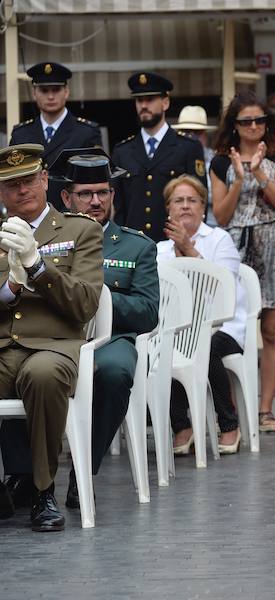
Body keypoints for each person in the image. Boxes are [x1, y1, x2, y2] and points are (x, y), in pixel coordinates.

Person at [0, 144, 103, 531]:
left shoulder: (80, 230)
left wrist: (37, 265)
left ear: (45, 179)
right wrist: (10, 287)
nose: (21, 190)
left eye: (28, 180)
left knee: (42, 377)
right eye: (11, 185)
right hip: (3, 347)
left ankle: (43, 492)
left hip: (53, 345)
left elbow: (85, 304)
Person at [50, 148, 159, 509]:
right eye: (85, 194)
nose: (95, 201)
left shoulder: (135, 245)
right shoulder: (49, 243)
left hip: (110, 340)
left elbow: (147, 312)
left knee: (115, 371)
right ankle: (26, 478)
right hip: (57, 336)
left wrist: (102, 297)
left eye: (103, 192)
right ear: (66, 197)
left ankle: (83, 470)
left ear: (112, 194)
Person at [209, 92, 275, 433]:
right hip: (235, 245)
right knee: (230, 326)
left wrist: (260, 172)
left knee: (273, 330)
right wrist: (238, 179)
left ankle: (265, 409)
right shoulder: (220, 162)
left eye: (259, 120)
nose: (253, 126)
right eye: (246, 121)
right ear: (234, 125)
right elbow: (220, 214)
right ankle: (231, 410)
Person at [157, 175, 248, 454]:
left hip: (224, 328)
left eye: (192, 200)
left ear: (203, 207)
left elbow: (221, 292)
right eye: (178, 201)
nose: (185, 206)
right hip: (180, 329)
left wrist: (188, 248)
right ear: (168, 210)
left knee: (203, 347)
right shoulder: (159, 250)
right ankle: (182, 425)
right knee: (162, 349)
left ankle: (229, 423)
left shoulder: (220, 240)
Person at [111, 72, 207, 242]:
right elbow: (118, 206)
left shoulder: (188, 147)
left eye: (150, 99)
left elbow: (199, 198)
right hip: (134, 244)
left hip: (174, 242)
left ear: (165, 102)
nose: (144, 105)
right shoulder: (122, 151)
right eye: (139, 100)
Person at [10, 62, 102, 212]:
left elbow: (95, 182)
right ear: (34, 93)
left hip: (72, 218)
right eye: (44, 90)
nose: (50, 96)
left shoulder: (86, 132)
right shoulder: (21, 134)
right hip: (30, 217)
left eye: (56, 89)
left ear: (66, 91)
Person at [171, 105, 218, 223]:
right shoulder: (169, 158)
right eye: (186, 131)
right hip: (176, 222)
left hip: (211, 223)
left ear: (205, 134)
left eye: (197, 132)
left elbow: (218, 196)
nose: (192, 136)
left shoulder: (216, 159)